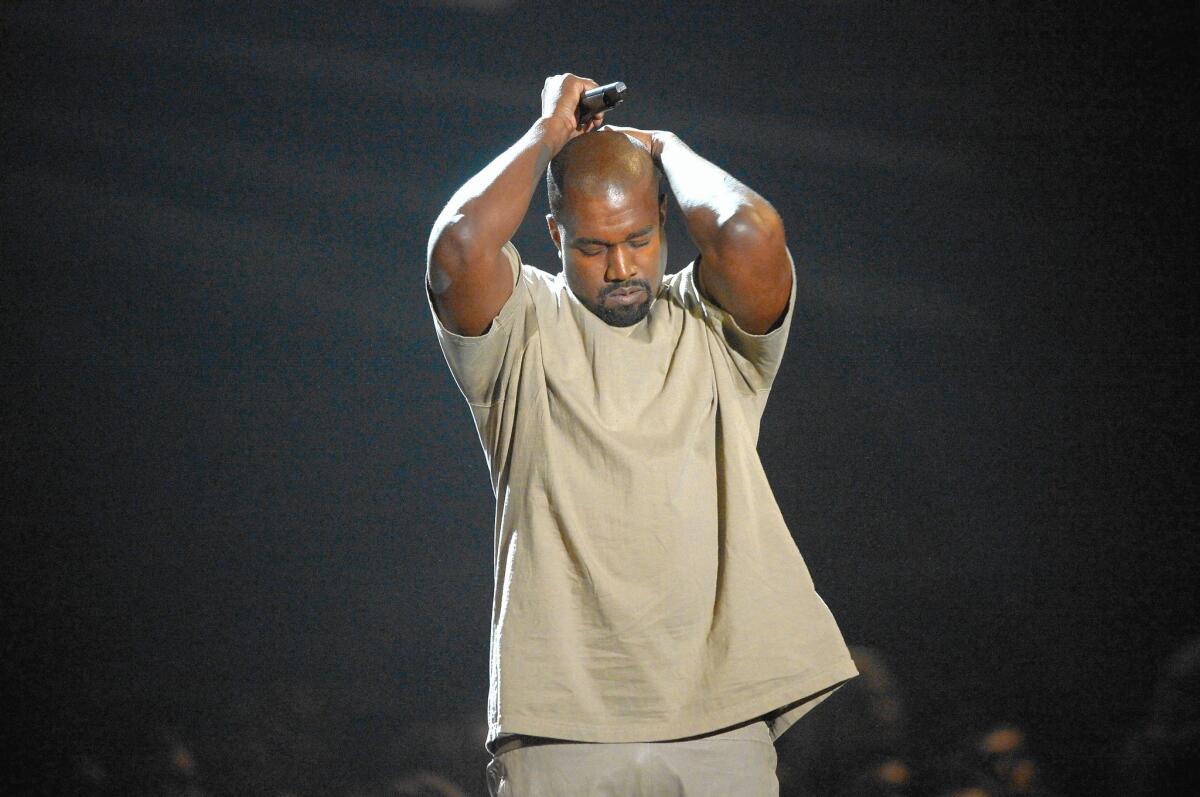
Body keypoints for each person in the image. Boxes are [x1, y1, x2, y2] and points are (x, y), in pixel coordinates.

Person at [426, 73, 858, 796]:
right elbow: (459, 247)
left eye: (639, 239)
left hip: (722, 712)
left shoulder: (711, 323)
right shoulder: (523, 325)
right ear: (555, 233)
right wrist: (548, 136)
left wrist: (662, 146)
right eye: (593, 246)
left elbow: (751, 233)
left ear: (666, 217)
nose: (622, 267)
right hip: (562, 719)